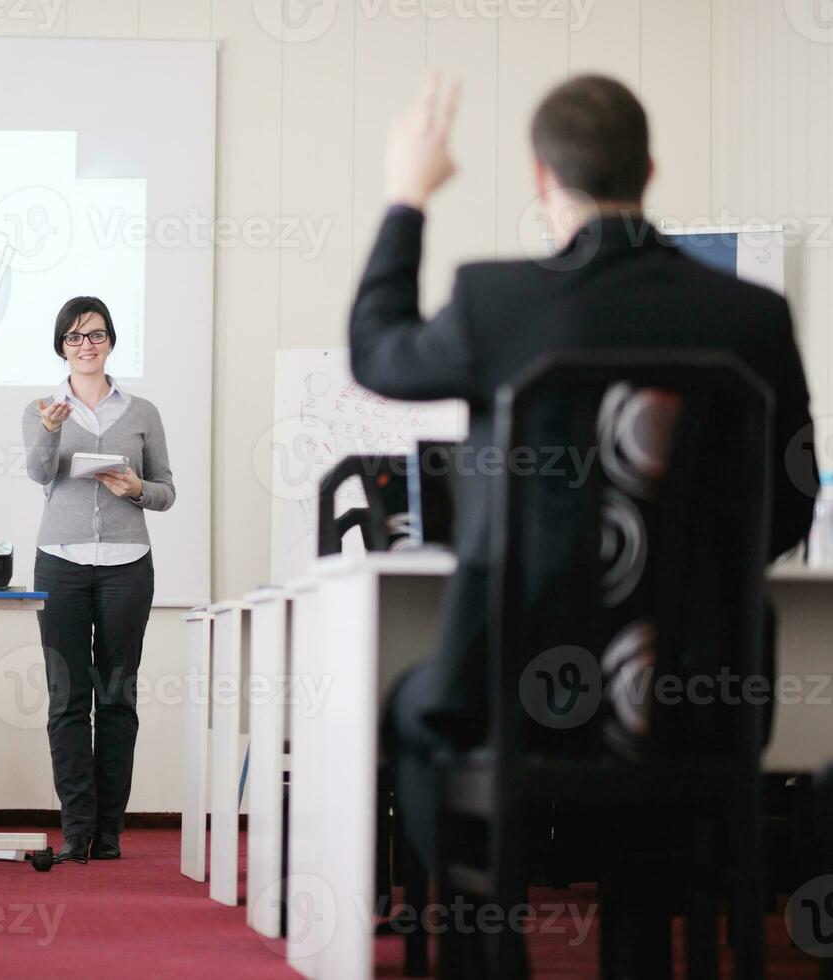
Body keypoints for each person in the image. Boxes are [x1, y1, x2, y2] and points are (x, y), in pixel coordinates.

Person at [350, 73, 818, 871]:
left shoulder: (496, 301)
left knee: (411, 712)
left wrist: (406, 198)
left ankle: (486, 942)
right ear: (651, 171)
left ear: (542, 177)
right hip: (702, 698)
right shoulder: (752, 316)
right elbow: (789, 510)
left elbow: (377, 351)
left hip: (518, 698)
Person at [22, 296, 175, 863]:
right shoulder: (43, 408)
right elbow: (40, 473)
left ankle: (109, 830)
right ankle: (76, 829)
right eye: (75, 336)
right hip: (59, 562)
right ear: (61, 345)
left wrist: (136, 490)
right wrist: (49, 431)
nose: (86, 344)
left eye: (97, 334)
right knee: (67, 699)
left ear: (111, 341)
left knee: (115, 697)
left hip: (126, 565)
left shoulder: (142, 413)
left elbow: (166, 491)